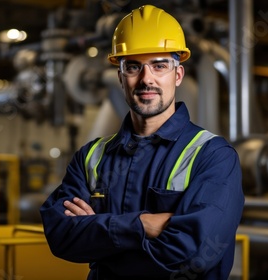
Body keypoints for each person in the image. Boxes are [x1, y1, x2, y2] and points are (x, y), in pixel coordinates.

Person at [40, 4, 244, 280]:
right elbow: (60, 236)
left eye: (159, 66)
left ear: (178, 75)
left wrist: (100, 235)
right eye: (134, 66)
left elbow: (194, 254)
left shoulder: (213, 156)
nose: (146, 79)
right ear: (120, 78)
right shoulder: (91, 156)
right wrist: (144, 224)